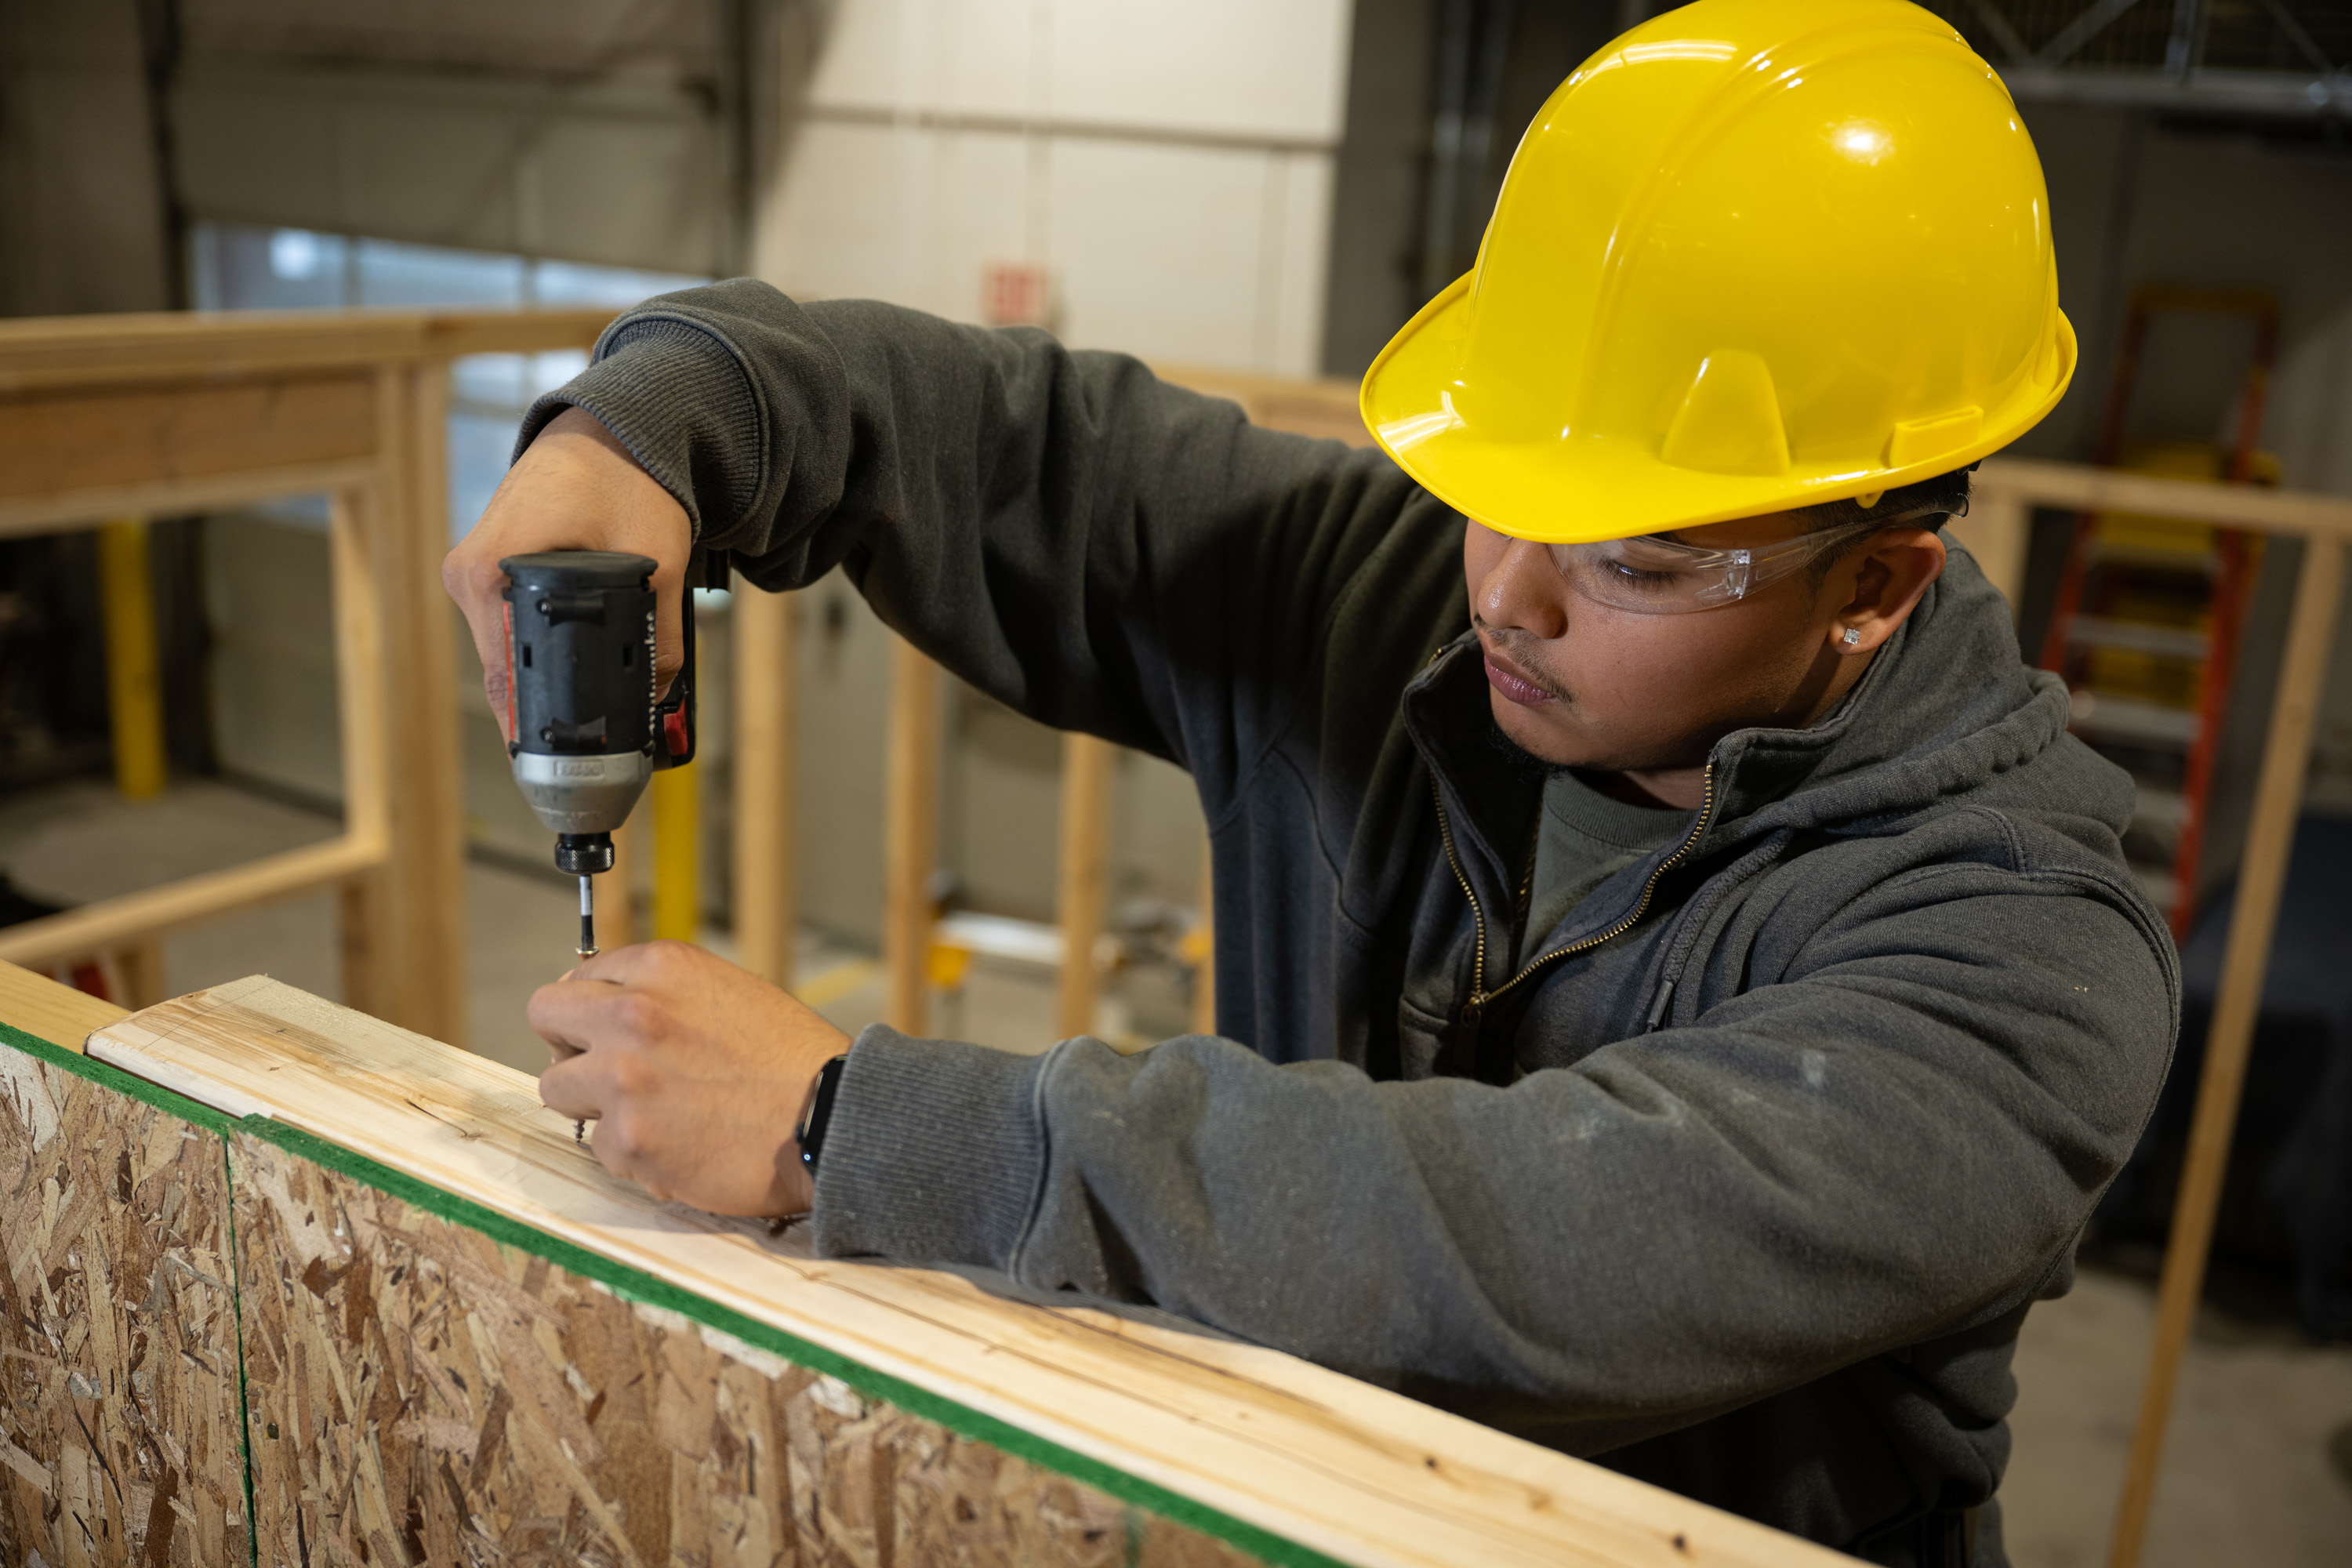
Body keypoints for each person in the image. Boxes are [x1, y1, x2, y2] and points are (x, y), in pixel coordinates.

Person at [441, 3, 2176, 1562]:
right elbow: (1024, 445)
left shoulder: (2025, 954)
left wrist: (856, 1127)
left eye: (1633, 563)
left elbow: (1523, 1244)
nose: (1505, 593)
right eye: (1505, 492)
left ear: (1876, 585)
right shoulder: (1400, 596)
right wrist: (657, 420)